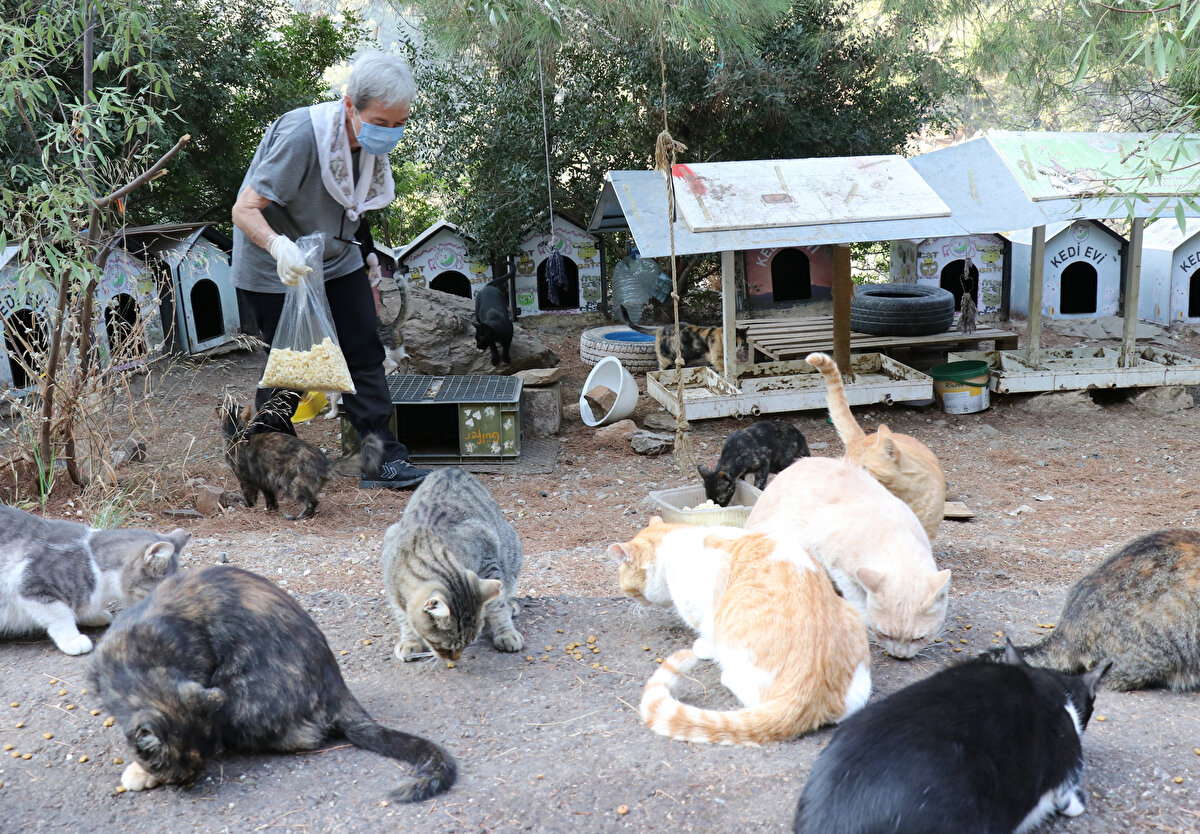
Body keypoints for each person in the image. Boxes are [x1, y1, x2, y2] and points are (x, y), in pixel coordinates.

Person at [231, 51, 430, 489]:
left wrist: (370, 257)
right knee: (293, 368)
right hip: (277, 267)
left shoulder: (369, 144)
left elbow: (354, 207)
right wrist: (279, 247)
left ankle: (381, 459)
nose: (391, 133)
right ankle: (272, 461)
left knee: (364, 349)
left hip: (337, 260)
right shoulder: (303, 135)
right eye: (382, 122)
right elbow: (244, 209)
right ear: (349, 105)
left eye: (400, 125)